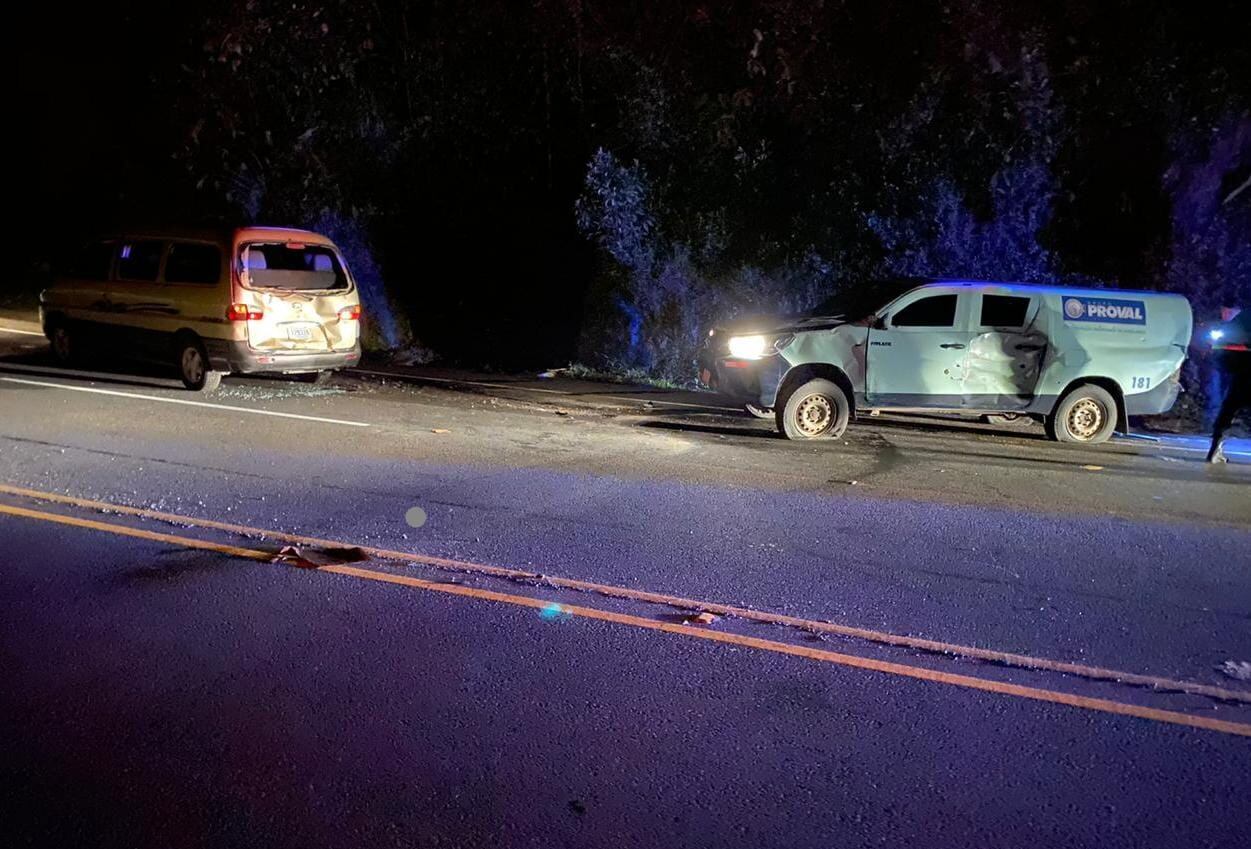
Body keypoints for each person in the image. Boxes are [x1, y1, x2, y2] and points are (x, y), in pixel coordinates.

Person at [1206, 309, 1250, 463]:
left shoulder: (1246, 314)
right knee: (1230, 406)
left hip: (1241, 368)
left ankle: (1215, 446)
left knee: (1230, 407)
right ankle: (1215, 448)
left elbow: (1227, 336)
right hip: (1242, 366)